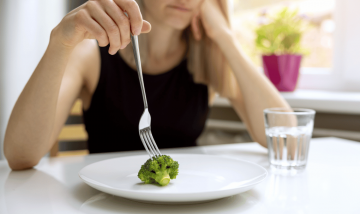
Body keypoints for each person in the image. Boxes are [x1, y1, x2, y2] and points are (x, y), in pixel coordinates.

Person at [4, 0, 289, 170]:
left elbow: (286, 139)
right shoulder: (92, 55)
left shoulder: (207, 58)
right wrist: (60, 43)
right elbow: (20, 156)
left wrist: (225, 36)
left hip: (188, 203)